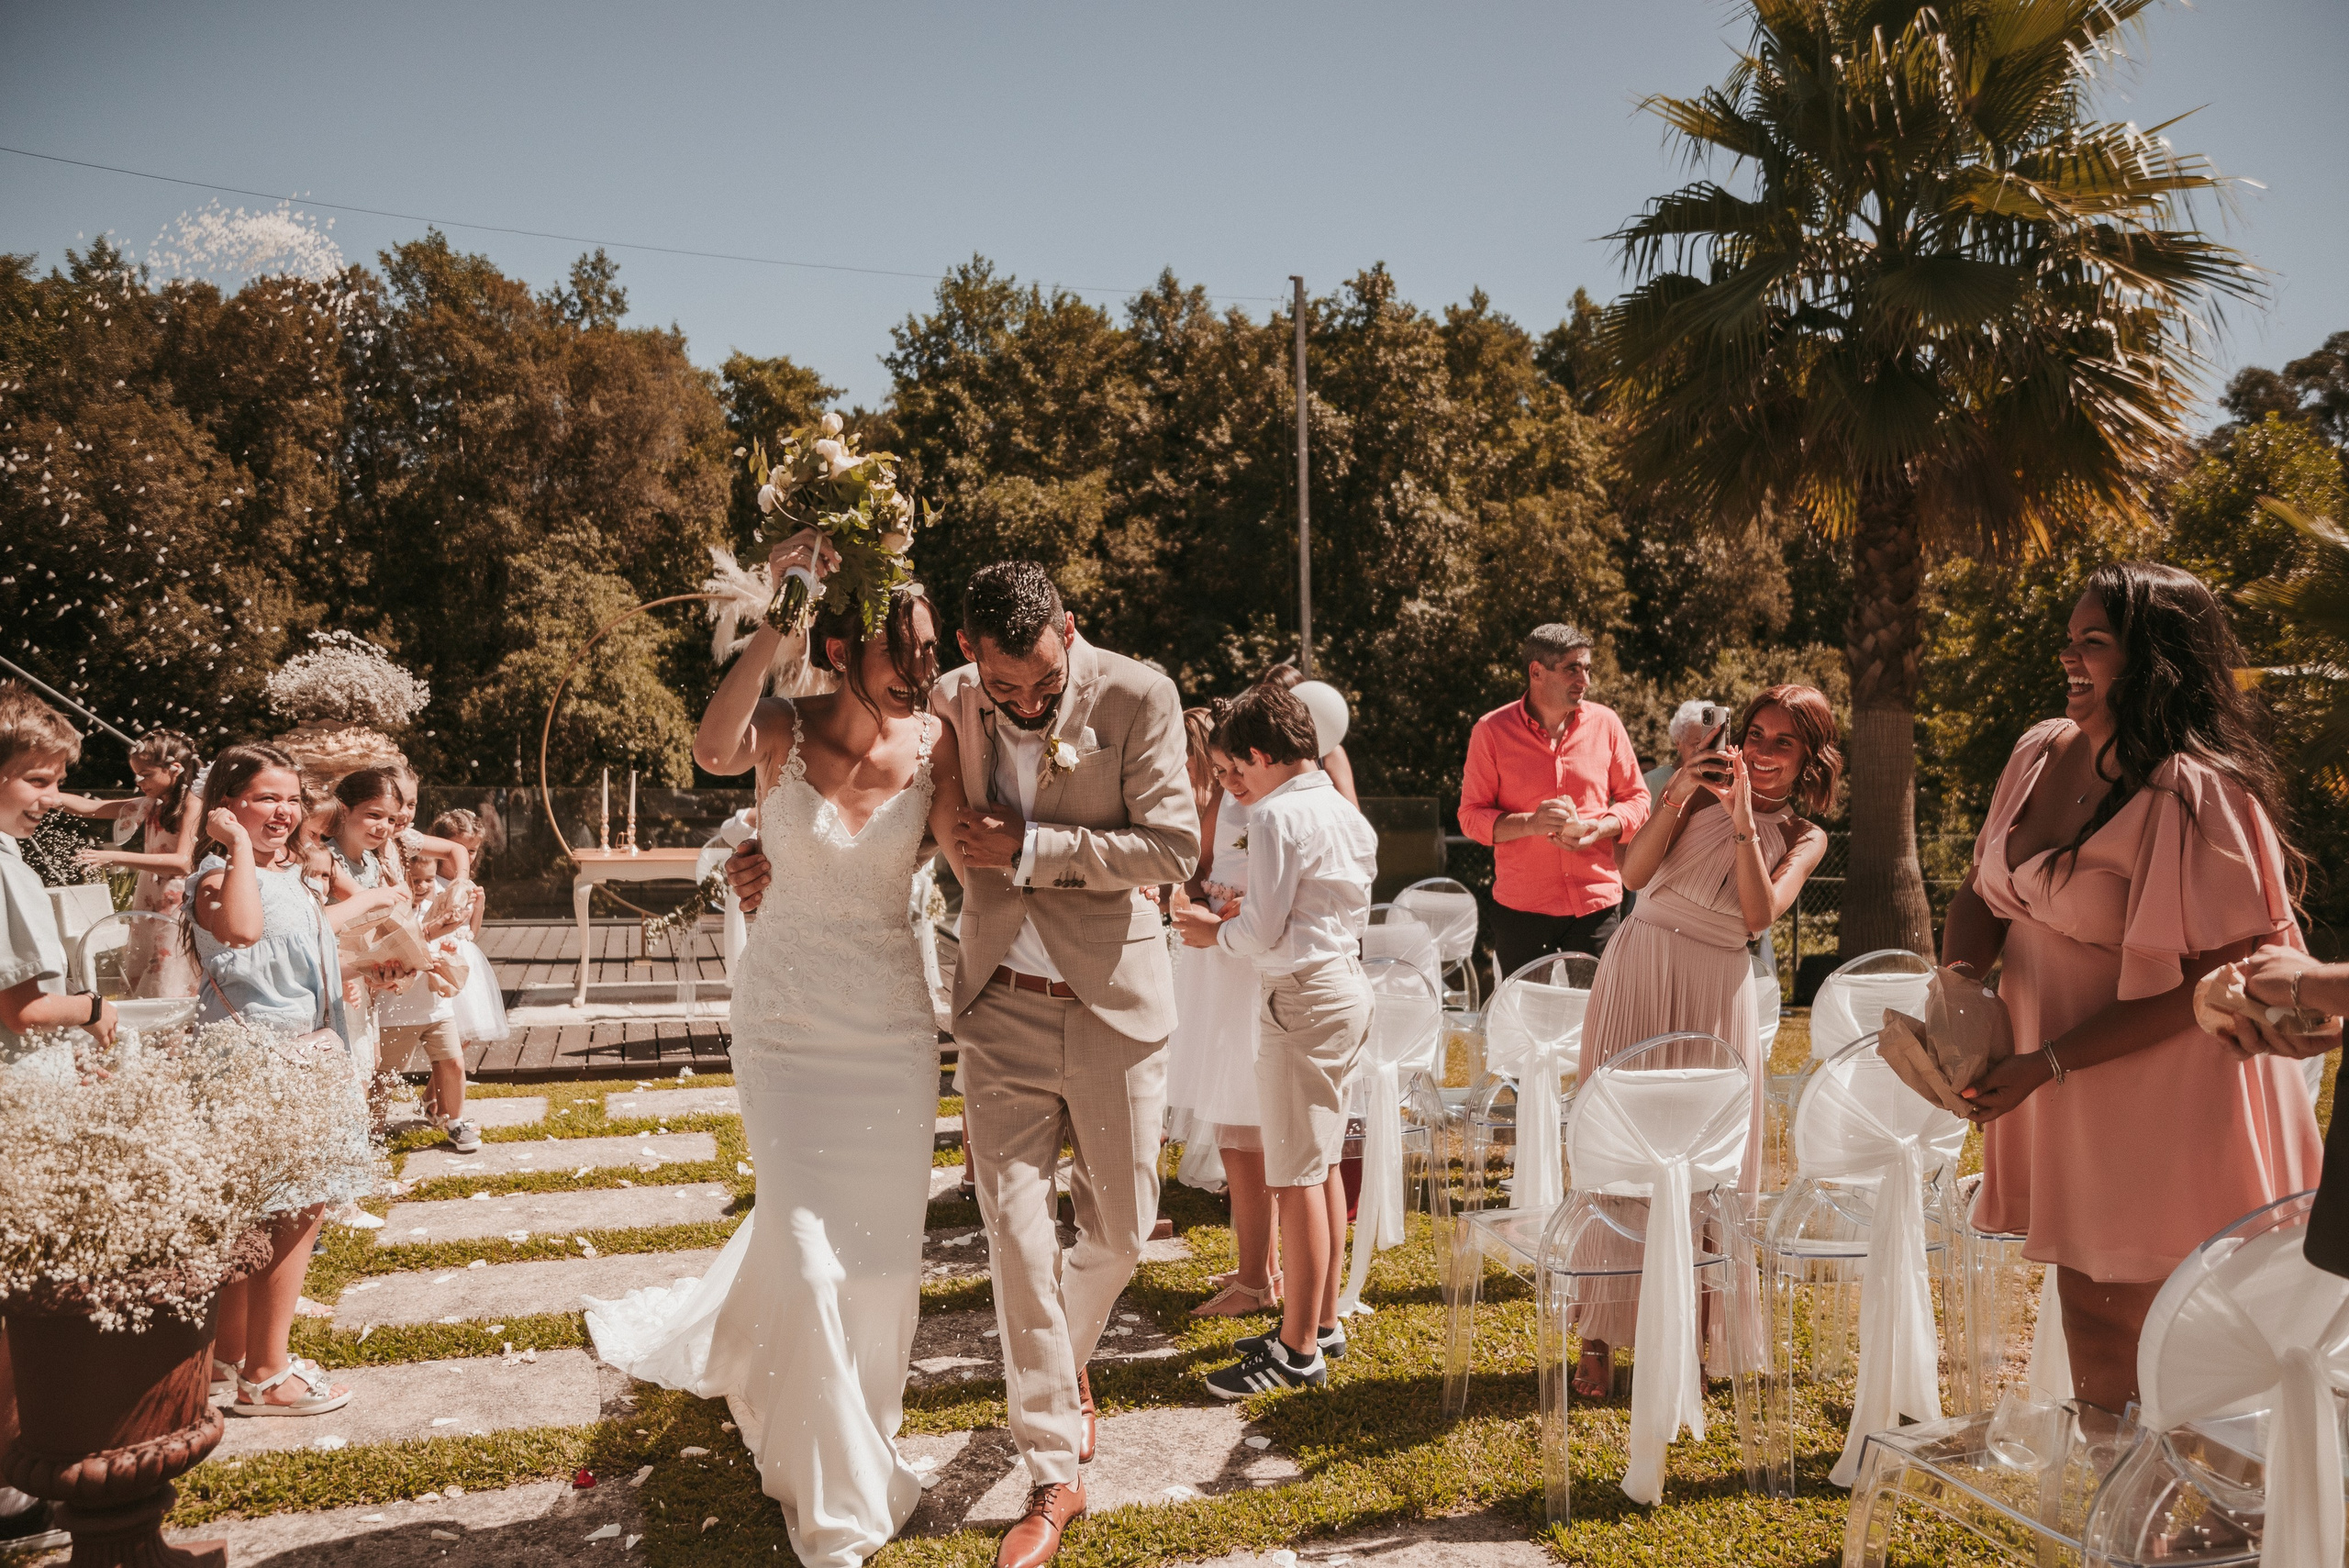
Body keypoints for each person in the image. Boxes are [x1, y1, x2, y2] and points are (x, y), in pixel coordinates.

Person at [719, 557, 1197, 1568]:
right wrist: (762, 855)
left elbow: (1173, 846)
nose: (1021, 702)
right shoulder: (944, 696)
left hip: (1114, 1007)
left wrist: (1029, 846)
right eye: (1001, 684)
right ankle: (1053, 1467)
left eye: (1039, 683)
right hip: (997, 1013)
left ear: (1069, 627)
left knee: (1114, 1235)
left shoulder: (1141, 692)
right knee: (1016, 1243)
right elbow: (824, 770)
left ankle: (1063, 1374)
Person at [585, 529, 985, 1568]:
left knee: (883, 1265)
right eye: (910, 652)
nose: (927, 671)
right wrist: (781, 617)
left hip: (894, 1031)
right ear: (847, 648)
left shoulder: (940, 742)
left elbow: (977, 862)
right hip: (789, 1024)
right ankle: (835, 1506)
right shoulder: (779, 725)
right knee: (810, 1257)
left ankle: (852, 1421)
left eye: (935, 652)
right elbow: (711, 752)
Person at [1944, 562, 2322, 1415]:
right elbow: (1980, 890)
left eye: (2096, 643)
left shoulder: (2202, 795)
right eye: (2070, 639)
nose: (2071, 657)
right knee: (2091, 1311)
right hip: (2057, 1081)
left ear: (2154, 658)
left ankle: (2203, 1522)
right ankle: (2117, 1519)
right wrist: (1960, 995)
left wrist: (2048, 1061)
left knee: (2176, 1325)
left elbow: (2210, 979)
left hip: (2165, 1084)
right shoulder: (2038, 751)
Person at [1569, 684, 1840, 1398]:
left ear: (1811, 755)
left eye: (1784, 741)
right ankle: (1597, 1331)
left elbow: (1757, 914)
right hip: (1640, 966)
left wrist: (1747, 817)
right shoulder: (1688, 796)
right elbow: (1631, 875)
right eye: (1757, 734)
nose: (1764, 751)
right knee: (1619, 1153)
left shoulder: (1807, 836)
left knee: (1706, 1169)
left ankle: (1692, 1332)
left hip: (1718, 989)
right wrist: (1679, 794)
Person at [1175, 684, 1378, 1396]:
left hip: (1299, 997)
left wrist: (1209, 931)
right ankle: (1320, 1324)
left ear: (1263, 754)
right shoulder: (1343, 812)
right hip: (1346, 989)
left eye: (1236, 770)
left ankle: (1295, 1352)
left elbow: (1260, 931)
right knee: (1317, 1166)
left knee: (1293, 1174)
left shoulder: (1277, 817)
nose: (1233, 785)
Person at [187, 742, 367, 1418]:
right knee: (295, 1208)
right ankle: (268, 1372)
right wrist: (232, 847)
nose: (284, 810)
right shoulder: (216, 874)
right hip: (259, 1063)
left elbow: (284, 961)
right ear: (227, 805)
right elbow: (240, 929)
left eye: (291, 797)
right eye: (265, 797)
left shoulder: (283, 872)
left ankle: (230, 1355)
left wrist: (358, 969)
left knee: (266, 1212)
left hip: (300, 1053)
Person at [0, 682, 117, 1547]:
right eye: (37, 780)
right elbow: (21, 1009)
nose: (51, 798)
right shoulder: (3, 864)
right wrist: (96, 1010)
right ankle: (10, 1477)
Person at [1164, 706, 1283, 1317]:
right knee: (1239, 1132)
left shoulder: (1276, 808)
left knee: (1245, 1129)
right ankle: (1257, 1264)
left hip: (1247, 969)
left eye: (1228, 764)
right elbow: (1200, 868)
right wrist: (1194, 893)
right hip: (1218, 960)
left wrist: (1239, 905)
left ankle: (1257, 1281)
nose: (1224, 776)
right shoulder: (1229, 804)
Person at [1458, 624, 1651, 974]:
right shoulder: (1491, 731)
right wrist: (1531, 823)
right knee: (1527, 1024)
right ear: (1536, 671)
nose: (1585, 680)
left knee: (1598, 1021)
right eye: (1572, 668)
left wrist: (1599, 827)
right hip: (1522, 909)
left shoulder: (1606, 724)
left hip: (1596, 905)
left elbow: (1638, 800)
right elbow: (1471, 817)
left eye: (1587, 669)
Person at [55, 728, 202, 997]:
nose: (138, 780)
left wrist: (113, 856)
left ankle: (172, 1035)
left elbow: (183, 862)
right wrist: (44, 794)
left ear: (175, 769)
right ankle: (146, 1033)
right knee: (145, 959)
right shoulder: (151, 803)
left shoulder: (193, 804)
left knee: (168, 970)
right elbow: (92, 808)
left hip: (178, 900)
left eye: (146, 774)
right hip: (151, 894)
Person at [376, 845, 479, 1153]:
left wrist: (445, 953)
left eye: (429, 881)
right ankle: (373, 1126)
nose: (422, 887)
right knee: (385, 1075)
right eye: (415, 880)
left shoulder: (439, 909)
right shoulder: (390, 913)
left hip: (436, 1007)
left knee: (453, 1063)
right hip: (396, 1011)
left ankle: (455, 1121)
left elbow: (449, 941)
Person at [1262, 662, 1359, 806]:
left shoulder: (1329, 754)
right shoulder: (1256, 754)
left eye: (1277, 702)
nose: (1270, 711)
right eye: (1264, 703)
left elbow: (1351, 814)